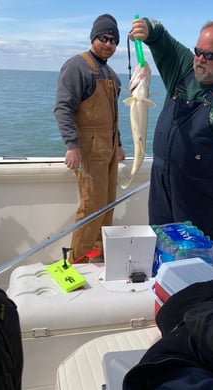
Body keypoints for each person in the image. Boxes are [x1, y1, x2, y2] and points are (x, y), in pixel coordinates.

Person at [130, 18, 213, 245]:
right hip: (162, 181)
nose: (200, 59)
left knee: (198, 256)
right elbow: (161, 37)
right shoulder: (182, 68)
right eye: (198, 51)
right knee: (161, 246)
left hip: (201, 192)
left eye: (209, 55)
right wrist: (147, 29)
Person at [54, 14, 126, 262]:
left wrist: (119, 145)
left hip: (108, 152)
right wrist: (71, 146)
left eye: (113, 40)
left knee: (107, 205)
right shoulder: (77, 66)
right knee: (91, 207)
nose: (108, 44)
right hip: (89, 151)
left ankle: (96, 255)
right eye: (104, 38)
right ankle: (77, 260)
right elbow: (63, 108)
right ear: (93, 38)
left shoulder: (113, 75)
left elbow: (114, 116)